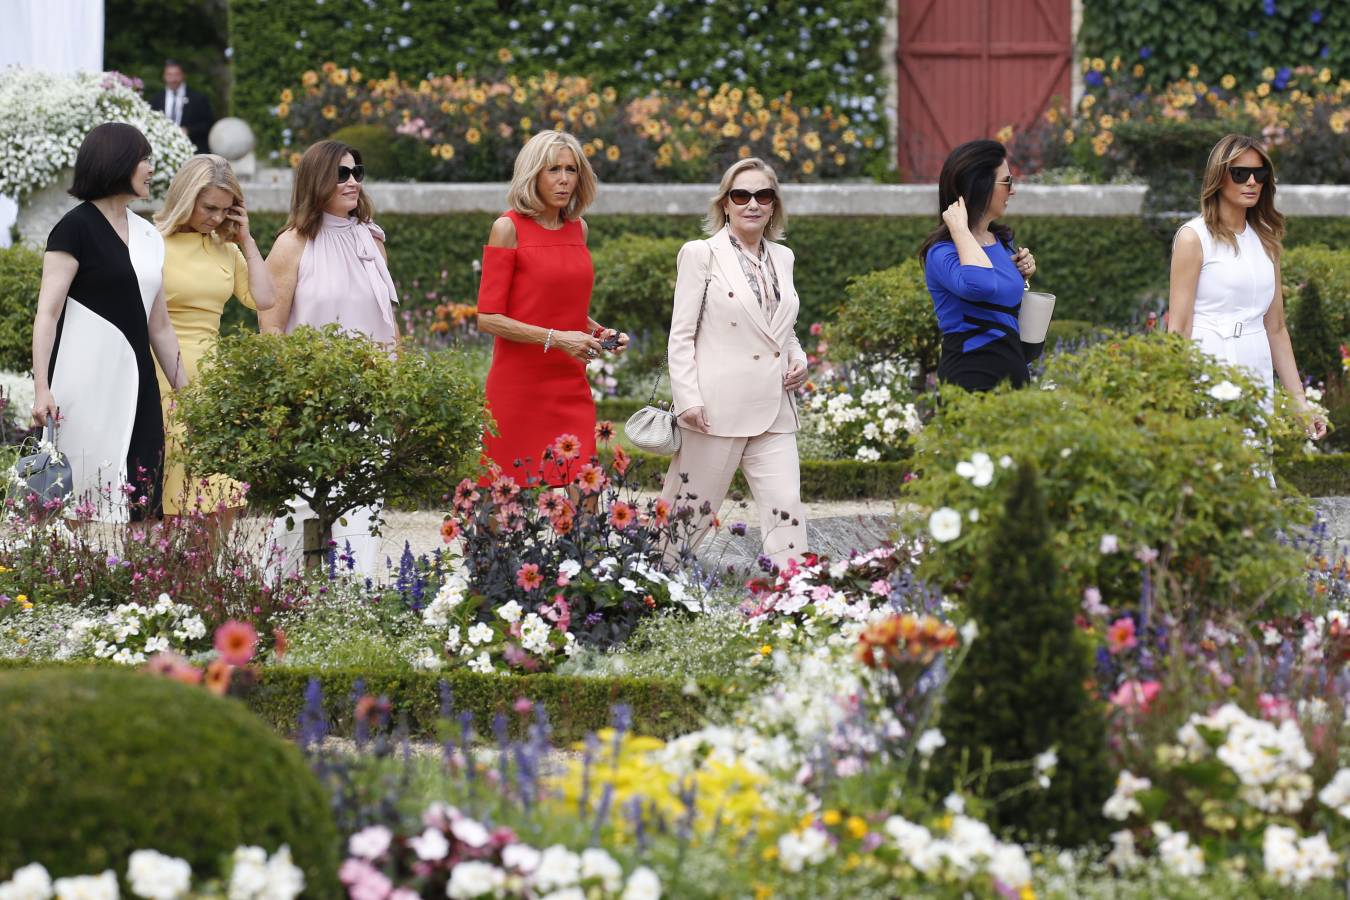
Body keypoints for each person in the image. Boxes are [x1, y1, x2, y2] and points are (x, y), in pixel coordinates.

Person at [30, 122, 188, 522]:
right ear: (117, 163)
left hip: (140, 388)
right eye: (143, 159)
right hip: (84, 387)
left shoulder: (150, 236)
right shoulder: (73, 229)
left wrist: (188, 392)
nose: (151, 169)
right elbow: (47, 313)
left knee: (143, 507)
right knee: (83, 509)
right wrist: (42, 388)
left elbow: (161, 327)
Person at [660, 157, 808, 569]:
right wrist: (687, 399)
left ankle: (797, 600)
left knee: (787, 509)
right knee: (687, 518)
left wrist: (799, 358)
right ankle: (647, 591)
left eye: (763, 195)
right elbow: (681, 335)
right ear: (725, 203)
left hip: (775, 409)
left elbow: (782, 328)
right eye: (741, 195)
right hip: (714, 411)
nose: (752, 204)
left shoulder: (784, 257)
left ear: (774, 205)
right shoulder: (700, 254)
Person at [261, 140, 400, 575]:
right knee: (301, 505)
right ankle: (281, 600)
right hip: (312, 404)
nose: (353, 180)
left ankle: (354, 604)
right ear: (317, 180)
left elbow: (387, 321)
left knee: (363, 508)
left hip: (371, 398)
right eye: (342, 174)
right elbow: (270, 331)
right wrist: (294, 397)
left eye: (357, 171)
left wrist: (397, 385)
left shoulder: (373, 239)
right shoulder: (291, 245)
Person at [476, 130, 627, 487]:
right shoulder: (507, 228)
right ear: (533, 174)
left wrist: (599, 333)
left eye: (571, 170)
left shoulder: (579, 229)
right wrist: (558, 338)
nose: (564, 179)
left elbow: (563, 306)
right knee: (501, 497)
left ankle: (583, 548)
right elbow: (487, 318)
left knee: (586, 487)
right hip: (518, 386)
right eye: (553, 169)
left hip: (569, 383)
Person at [1168, 133, 1327, 439]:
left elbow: (1276, 327)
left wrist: (1300, 403)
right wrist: (1174, 396)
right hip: (1208, 363)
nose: (1252, 182)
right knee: (1216, 469)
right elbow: (1179, 326)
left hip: (1257, 365)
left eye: (1260, 174)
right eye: (1240, 174)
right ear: (1219, 177)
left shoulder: (1267, 238)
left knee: (1255, 466)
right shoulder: (1193, 238)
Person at [153, 154, 275, 528]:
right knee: (170, 489)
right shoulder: (151, 242)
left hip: (213, 380)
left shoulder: (226, 248)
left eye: (226, 210)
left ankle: (207, 586)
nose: (217, 218)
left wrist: (247, 240)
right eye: (209, 207)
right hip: (159, 373)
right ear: (185, 198)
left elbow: (265, 299)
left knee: (219, 497)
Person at [918, 139, 1039, 391]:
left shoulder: (1003, 243)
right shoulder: (942, 252)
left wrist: (1022, 275)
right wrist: (961, 229)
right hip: (970, 383)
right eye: (1007, 182)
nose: (1013, 191)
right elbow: (981, 286)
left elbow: (1003, 304)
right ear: (980, 185)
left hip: (1013, 380)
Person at [148, 59, 216, 153]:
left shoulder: (198, 98)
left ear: (184, 75)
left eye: (176, 74)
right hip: (163, 151)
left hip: (193, 151)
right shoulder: (156, 99)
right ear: (164, 76)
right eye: (169, 75)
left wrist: (188, 131)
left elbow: (208, 123)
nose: (173, 79)